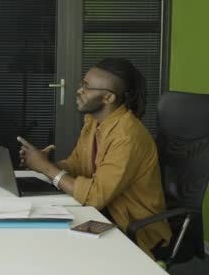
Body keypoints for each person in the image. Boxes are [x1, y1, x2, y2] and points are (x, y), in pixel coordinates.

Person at [17, 58, 171, 258]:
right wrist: (44, 163)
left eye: (87, 87)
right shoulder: (93, 122)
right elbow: (77, 165)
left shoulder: (128, 136)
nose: (79, 91)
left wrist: (47, 169)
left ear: (108, 98)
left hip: (133, 227)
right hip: (102, 214)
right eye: (82, 84)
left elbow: (95, 197)